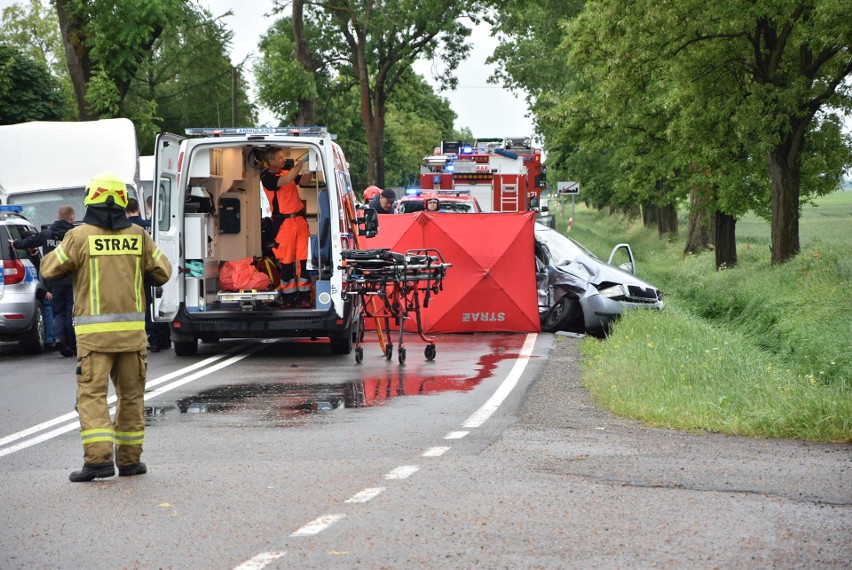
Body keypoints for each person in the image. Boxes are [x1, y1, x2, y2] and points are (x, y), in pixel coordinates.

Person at [40, 171, 172, 482]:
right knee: (131, 397)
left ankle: (98, 461)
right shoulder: (139, 236)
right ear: (123, 202)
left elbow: (49, 269)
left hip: (93, 339)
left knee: (93, 396)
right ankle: (129, 461)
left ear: (91, 200)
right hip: (132, 337)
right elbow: (163, 271)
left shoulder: (78, 236)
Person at [10, 205, 77, 356]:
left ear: (57, 216)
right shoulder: (72, 234)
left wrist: (15, 244)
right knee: (70, 312)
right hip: (72, 279)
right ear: (71, 218)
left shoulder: (48, 233)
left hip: (54, 279)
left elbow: (30, 242)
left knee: (58, 312)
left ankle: (59, 337)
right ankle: (71, 344)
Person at [260, 148, 313, 309]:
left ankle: (304, 297)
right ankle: (289, 298)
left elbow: (303, 182)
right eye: (280, 157)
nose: (284, 159)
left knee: (304, 260)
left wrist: (308, 168)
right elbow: (286, 179)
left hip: (299, 220)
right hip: (283, 223)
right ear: (271, 162)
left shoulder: (286, 172)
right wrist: (301, 163)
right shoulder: (267, 177)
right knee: (287, 261)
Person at [126, 197, 170, 352]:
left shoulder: (127, 229)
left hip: (134, 272)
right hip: (153, 269)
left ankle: (150, 338)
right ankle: (162, 338)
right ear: (139, 207)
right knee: (157, 303)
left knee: (141, 307)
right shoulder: (149, 226)